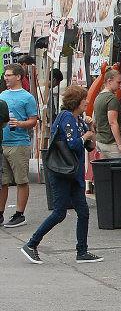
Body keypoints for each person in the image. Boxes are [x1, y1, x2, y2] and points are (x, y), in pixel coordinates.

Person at [20, 86, 103, 264]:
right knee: (59, 213)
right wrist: (86, 135)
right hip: (62, 173)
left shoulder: (78, 119)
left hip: (73, 173)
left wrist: (90, 129)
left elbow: (90, 146)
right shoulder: (66, 118)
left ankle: (82, 251)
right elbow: (74, 144)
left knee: (83, 211)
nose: (87, 103)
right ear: (76, 102)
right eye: (84, 100)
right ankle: (32, 244)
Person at [1, 63, 39, 228]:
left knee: (21, 180)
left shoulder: (27, 97)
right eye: (5, 75)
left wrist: (21, 123)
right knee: (2, 181)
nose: (6, 78)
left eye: (9, 75)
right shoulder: (2, 95)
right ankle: (0, 213)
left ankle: (19, 213)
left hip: (19, 143)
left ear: (18, 76)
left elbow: (33, 121)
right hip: (2, 142)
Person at [93, 69, 121, 159]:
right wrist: (119, 144)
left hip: (101, 141)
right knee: (120, 171)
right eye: (118, 82)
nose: (120, 85)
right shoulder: (111, 98)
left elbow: (96, 119)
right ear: (109, 81)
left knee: (105, 171)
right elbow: (112, 123)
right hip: (111, 142)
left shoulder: (98, 97)